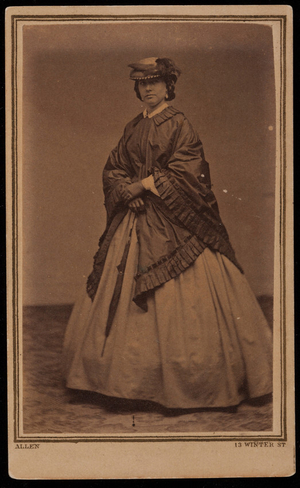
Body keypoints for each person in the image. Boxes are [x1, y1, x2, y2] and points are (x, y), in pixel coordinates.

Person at [63, 57, 272, 410]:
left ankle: (190, 384)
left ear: (168, 86)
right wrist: (126, 192)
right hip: (134, 220)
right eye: (143, 84)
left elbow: (189, 173)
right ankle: (119, 383)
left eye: (155, 82)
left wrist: (142, 186)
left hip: (175, 220)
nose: (148, 89)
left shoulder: (180, 125)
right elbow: (114, 167)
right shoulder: (132, 127)